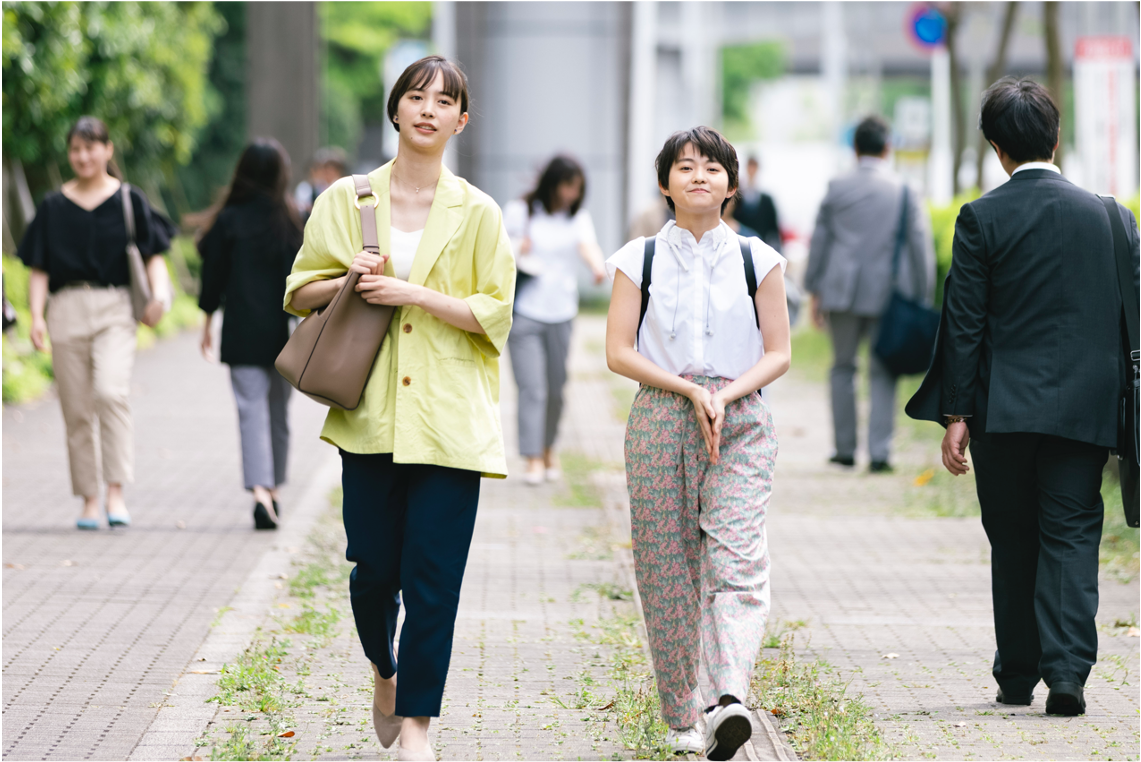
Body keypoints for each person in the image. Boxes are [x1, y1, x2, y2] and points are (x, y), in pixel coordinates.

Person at [284, 55, 514, 762]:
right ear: (394, 109)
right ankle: (384, 671)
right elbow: (298, 290)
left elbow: (494, 313)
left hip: (449, 420)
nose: (426, 109)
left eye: (442, 102)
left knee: (433, 581)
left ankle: (418, 726)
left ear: (460, 121)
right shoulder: (347, 200)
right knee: (373, 570)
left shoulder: (478, 211)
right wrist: (346, 278)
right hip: (370, 414)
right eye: (414, 96)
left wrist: (412, 294)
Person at [906, 77, 1140, 716]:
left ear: (994, 147)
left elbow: (964, 321)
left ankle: (1015, 677)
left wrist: (956, 413)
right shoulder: (1113, 218)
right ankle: (1068, 675)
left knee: (1012, 539)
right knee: (1070, 534)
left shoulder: (983, 217)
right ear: (1057, 137)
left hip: (1003, 411)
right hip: (1086, 409)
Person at [605, 127, 790, 760]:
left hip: (740, 421)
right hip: (661, 415)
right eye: (685, 168)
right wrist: (688, 391)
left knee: (738, 562)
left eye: (713, 168)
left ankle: (729, 696)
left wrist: (725, 393)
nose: (699, 177)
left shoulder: (759, 260)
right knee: (666, 568)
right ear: (665, 184)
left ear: (732, 186)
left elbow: (780, 353)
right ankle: (682, 713)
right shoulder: (638, 259)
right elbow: (618, 352)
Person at [17, 116, 174, 530]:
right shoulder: (53, 206)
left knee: (110, 391)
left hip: (115, 308)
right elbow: (38, 267)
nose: (83, 156)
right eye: (75, 149)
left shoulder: (128, 199)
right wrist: (36, 316)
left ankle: (115, 491)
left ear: (108, 150)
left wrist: (158, 296)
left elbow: (153, 254)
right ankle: (89, 499)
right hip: (65, 309)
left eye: (91, 147)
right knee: (76, 410)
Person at [805, 115, 934, 472]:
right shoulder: (904, 189)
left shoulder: (836, 186)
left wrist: (813, 288)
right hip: (887, 295)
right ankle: (880, 453)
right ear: (887, 148)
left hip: (841, 292)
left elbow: (820, 241)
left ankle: (844, 450)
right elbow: (920, 245)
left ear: (855, 147)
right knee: (882, 372)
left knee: (842, 368)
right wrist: (920, 296)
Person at [197, 139, 304, 530]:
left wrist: (207, 320)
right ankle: (273, 489)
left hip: (241, 332)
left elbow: (213, 276)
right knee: (279, 413)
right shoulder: (292, 219)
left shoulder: (229, 219)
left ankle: (260, 490)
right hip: (285, 333)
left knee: (250, 411)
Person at [504, 155, 606, 484]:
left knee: (556, 388)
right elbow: (500, 251)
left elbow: (588, 246)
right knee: (532, 388)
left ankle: (548, 448)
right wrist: (520, 246)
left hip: (561, 312)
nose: (571, 195)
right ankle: (532, 458)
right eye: (566, 186)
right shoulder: (521, 211)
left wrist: (596, 267)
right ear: (551, 182)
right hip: (525, 312)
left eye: (577, 189)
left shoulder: (578, 218)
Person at [734, 155, 782, 251]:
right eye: (750, 166)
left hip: (762, 245)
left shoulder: (766, 200)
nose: (752, 169)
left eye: (754, 166)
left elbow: (773, 228)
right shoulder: (738, 197)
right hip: (742, 245)